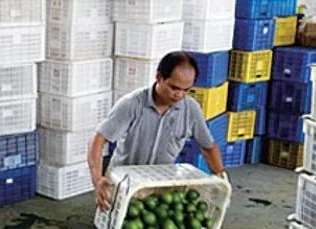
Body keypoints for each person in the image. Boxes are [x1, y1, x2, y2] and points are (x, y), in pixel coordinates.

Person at [87, 51, 226, 210]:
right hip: (123, 184)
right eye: (174, 87)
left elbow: (208, 146)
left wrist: (221, 178)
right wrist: (97, 179)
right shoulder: (132, 104)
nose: (180, 95)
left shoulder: (191, 109)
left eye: (187, 90)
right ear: (159, 77)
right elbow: (97, 140)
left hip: (158, 187)